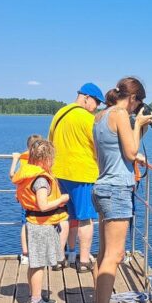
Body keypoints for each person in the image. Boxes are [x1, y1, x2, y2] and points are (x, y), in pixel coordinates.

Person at [90, 77, 152, 303]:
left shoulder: (101, 116)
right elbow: (131, 152)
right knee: (114, 257)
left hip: (103, 187)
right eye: (138, 103)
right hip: (116, 191)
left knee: (104, 255)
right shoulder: (118, 114)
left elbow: (113, 150)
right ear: (133, 98)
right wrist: (137, 124)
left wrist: (137, 127)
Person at [48, 83, 103, 273]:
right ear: (86, 97)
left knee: (64, 216)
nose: (97, 106)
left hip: (59, 173)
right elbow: (98, 148)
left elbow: (50, 143)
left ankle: (58, 258)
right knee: (86, 218)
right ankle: (85, 261)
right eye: (96, 102)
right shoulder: (89, 119)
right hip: (83, 174)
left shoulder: (59, 114)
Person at [10, 139, 69, 303]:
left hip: (32, 223)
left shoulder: (28, 173)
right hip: (40, 226)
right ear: (45, 159)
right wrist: (62, 199)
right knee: (38, 265)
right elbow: (43, 205)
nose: (53, 162)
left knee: (34, 264)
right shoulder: (41, 180)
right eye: (52, 159)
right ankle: (36, 302)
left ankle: (33, 295)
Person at [9, 134, 50, 265]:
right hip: (39, 198)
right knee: (43, 223)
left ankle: (26, 254)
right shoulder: (43, 160)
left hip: (26, 200)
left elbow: (12, 175)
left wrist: (15, 159)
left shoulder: (24, 158)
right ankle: (43, 253)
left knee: (25, 224)